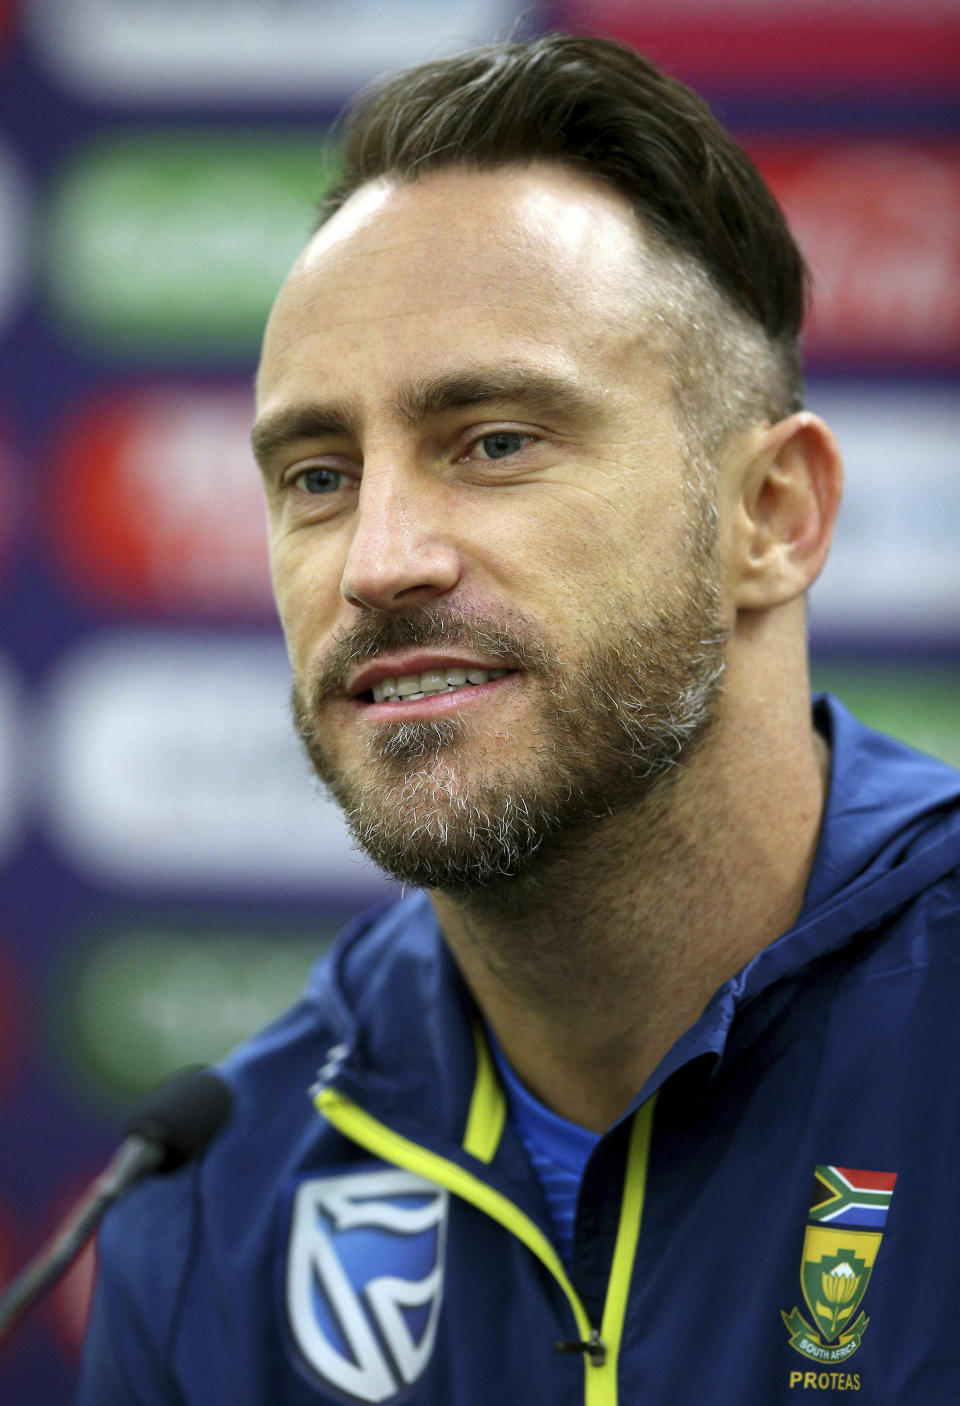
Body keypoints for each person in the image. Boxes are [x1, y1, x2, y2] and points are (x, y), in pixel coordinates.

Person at [80, 33, 960, 1405]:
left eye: (492, 441)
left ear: (772, 518)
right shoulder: (208, 1212)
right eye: (317, 475)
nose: (378, 559)